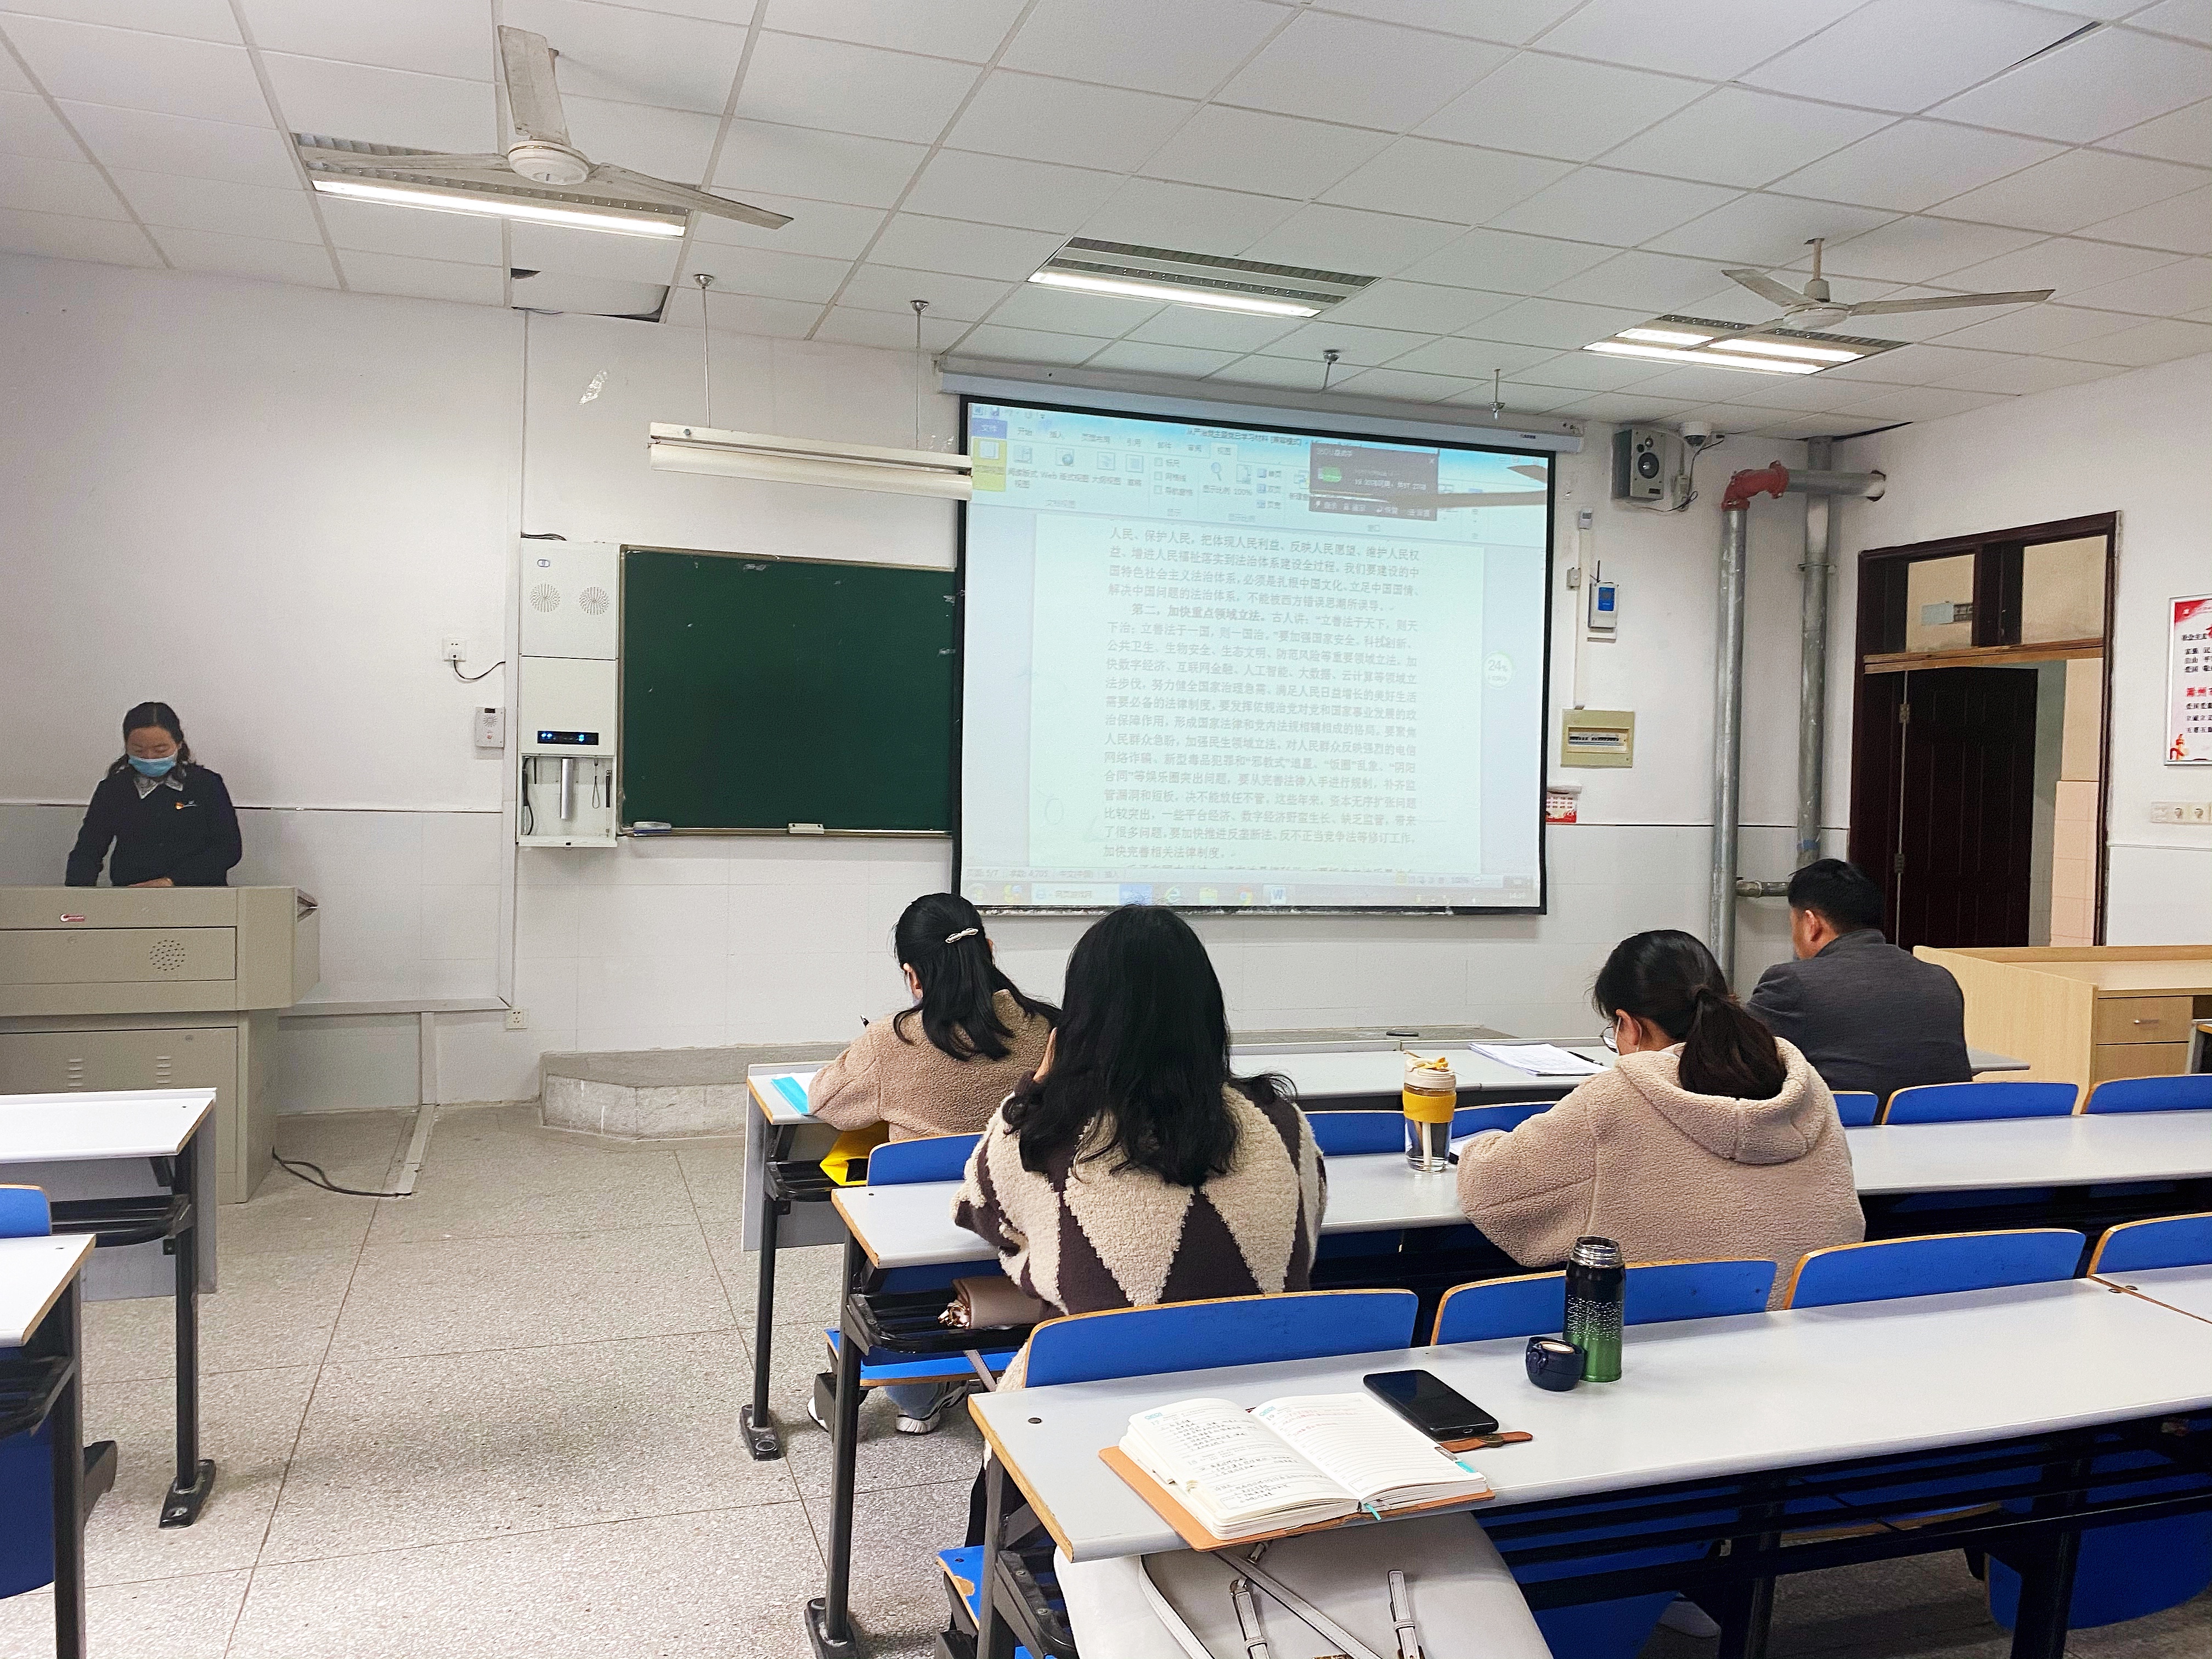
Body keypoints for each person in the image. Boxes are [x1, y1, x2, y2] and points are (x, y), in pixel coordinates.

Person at [953, 904, 1325, 1349]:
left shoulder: (1046, 1132)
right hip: (1268, 1371)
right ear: (1207, 1011)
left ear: (1081, 1019)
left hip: (1100, 1376)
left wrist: (1034, 1088)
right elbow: (1309, 1224)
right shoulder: (1282, 1123)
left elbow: (976, 1210)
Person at [1457, 929, 1863, 1310]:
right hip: (1814, 1325)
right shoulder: (1804, 1083)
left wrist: (1480, 1145)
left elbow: (1491, 1189)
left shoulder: (1616, 1097)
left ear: (1630, 1026)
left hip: (1661, 1333)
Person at [809, 894, 1057, 1144]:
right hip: (1016, 1169)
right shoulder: (1051, 1028)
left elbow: (825, 1103)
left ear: (913, 975)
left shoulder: (891, 1040)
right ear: (989, 950)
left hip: (921, 1172)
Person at [1746, 857, 1973, 1106]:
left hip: (1844, 1127)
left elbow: (1734, 1061)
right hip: (1944, 1125)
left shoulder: (1792, 983)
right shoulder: (1940, 979)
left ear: (1811, 924)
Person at [65, 702, 241, 889]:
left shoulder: (207, 785)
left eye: (160, 750)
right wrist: (76, 898)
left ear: (179, 744)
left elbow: (228, 849)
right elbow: (87, 852)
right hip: (134, 895)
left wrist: (172, 881)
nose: (149, 757)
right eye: (139, 750)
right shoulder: (113, 789)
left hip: (199, 893)